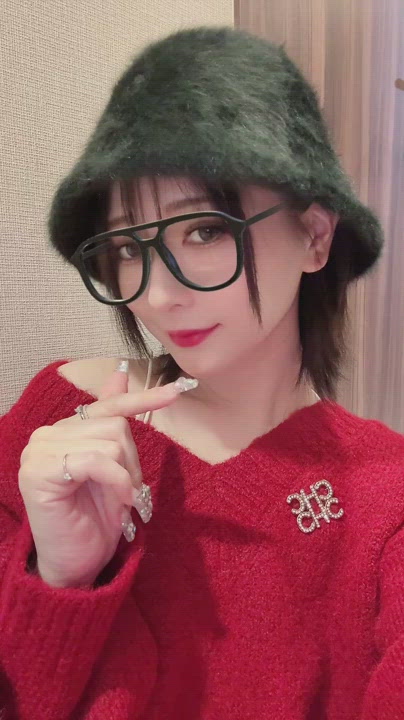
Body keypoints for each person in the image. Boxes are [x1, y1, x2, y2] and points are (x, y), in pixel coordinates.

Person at [0, 25, 402, 720]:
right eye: (129, 247)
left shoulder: (385, 496)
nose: (157, 296)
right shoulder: (58, 428)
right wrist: (59, 577)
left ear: (314, 236)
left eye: (206, 230)